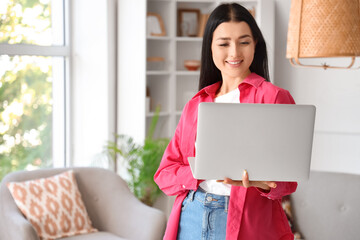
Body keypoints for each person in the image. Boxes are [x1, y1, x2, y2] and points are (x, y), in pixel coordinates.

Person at [154, 3, 297, 240]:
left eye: (244, 42)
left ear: (255, 45)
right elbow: (164, 174)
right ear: (210, 47)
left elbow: (288, 182)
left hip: (247, 222)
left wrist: (261, 184)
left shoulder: (273, 97)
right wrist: (199, 171)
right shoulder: (197, 103)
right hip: (191, 214)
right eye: (223, 43)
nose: (234, 53)